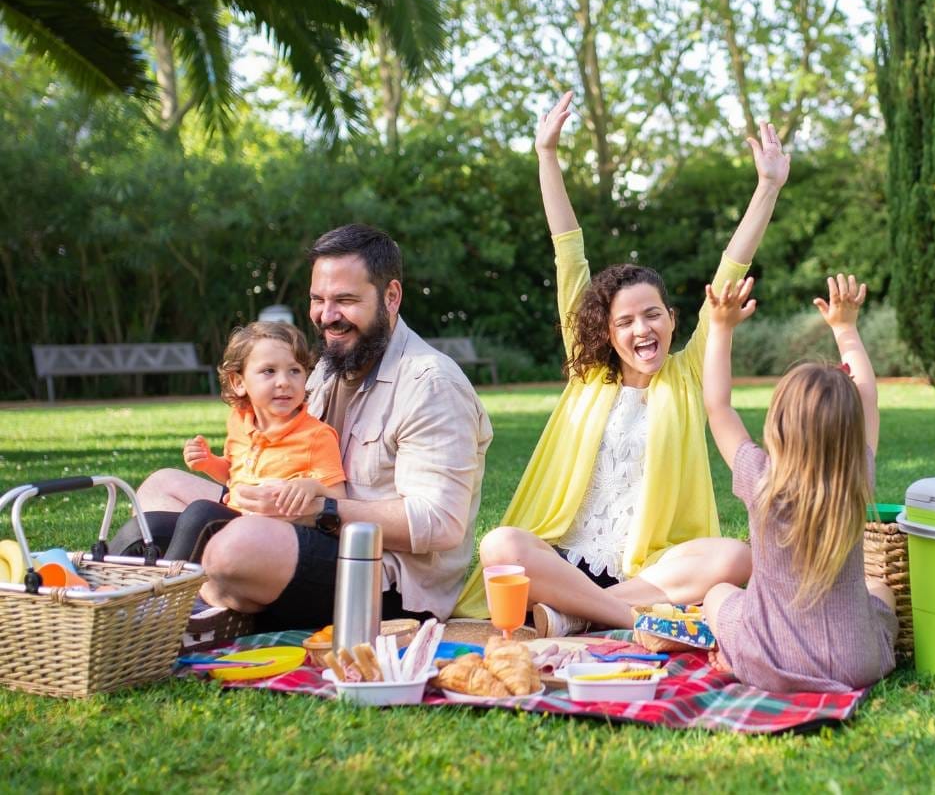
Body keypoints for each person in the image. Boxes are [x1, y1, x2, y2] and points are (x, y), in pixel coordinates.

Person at [455, 91, 789, 635]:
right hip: (563, 558)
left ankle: (571, 614)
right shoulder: (587, 372)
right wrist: (546, 155)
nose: (642, 330)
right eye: (626, 321)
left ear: (673, 320)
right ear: (607, 333)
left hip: (647, 570)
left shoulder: (688, 375)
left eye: (652, 315)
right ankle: (628, 618)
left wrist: (767, 186)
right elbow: (568, 252)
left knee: (735, 557)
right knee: (500, 545)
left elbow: (730, 271)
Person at [113, 224, 493, 631]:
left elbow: (440, 523)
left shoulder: (430, 384)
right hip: (299, 528)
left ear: (391, 296)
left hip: (382, 579)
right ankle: (153, 600)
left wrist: (318, 511)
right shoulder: (330, 365)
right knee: (160, 489)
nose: (327, 316)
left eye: (345, 300)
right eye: (317, 299)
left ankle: (188, 609)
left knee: (233, 548)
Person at [699, 273, 898, 693]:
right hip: (854, 664)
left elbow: (718, 408)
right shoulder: (856, 475)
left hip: (769, 661)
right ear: (850, 431)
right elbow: (868, 397)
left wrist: (720, 328)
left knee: (717, 594)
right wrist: (845, 329)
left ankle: (733, 655)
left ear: (779, 425)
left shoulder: (760, 479)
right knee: (880, 588)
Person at [157, 321, 347, 564]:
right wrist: (209, 463)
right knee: (153, 524)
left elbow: (339, 496)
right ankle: (118, 582)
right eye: (269, 371)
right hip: (237, 518)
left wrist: (310, 486)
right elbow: (233, 474)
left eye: (294, 371)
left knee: (200, 513)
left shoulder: (316, 436)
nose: (284, 381)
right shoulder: (239, 421)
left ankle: (168, 586)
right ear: (238, 383)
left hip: (277, 536)